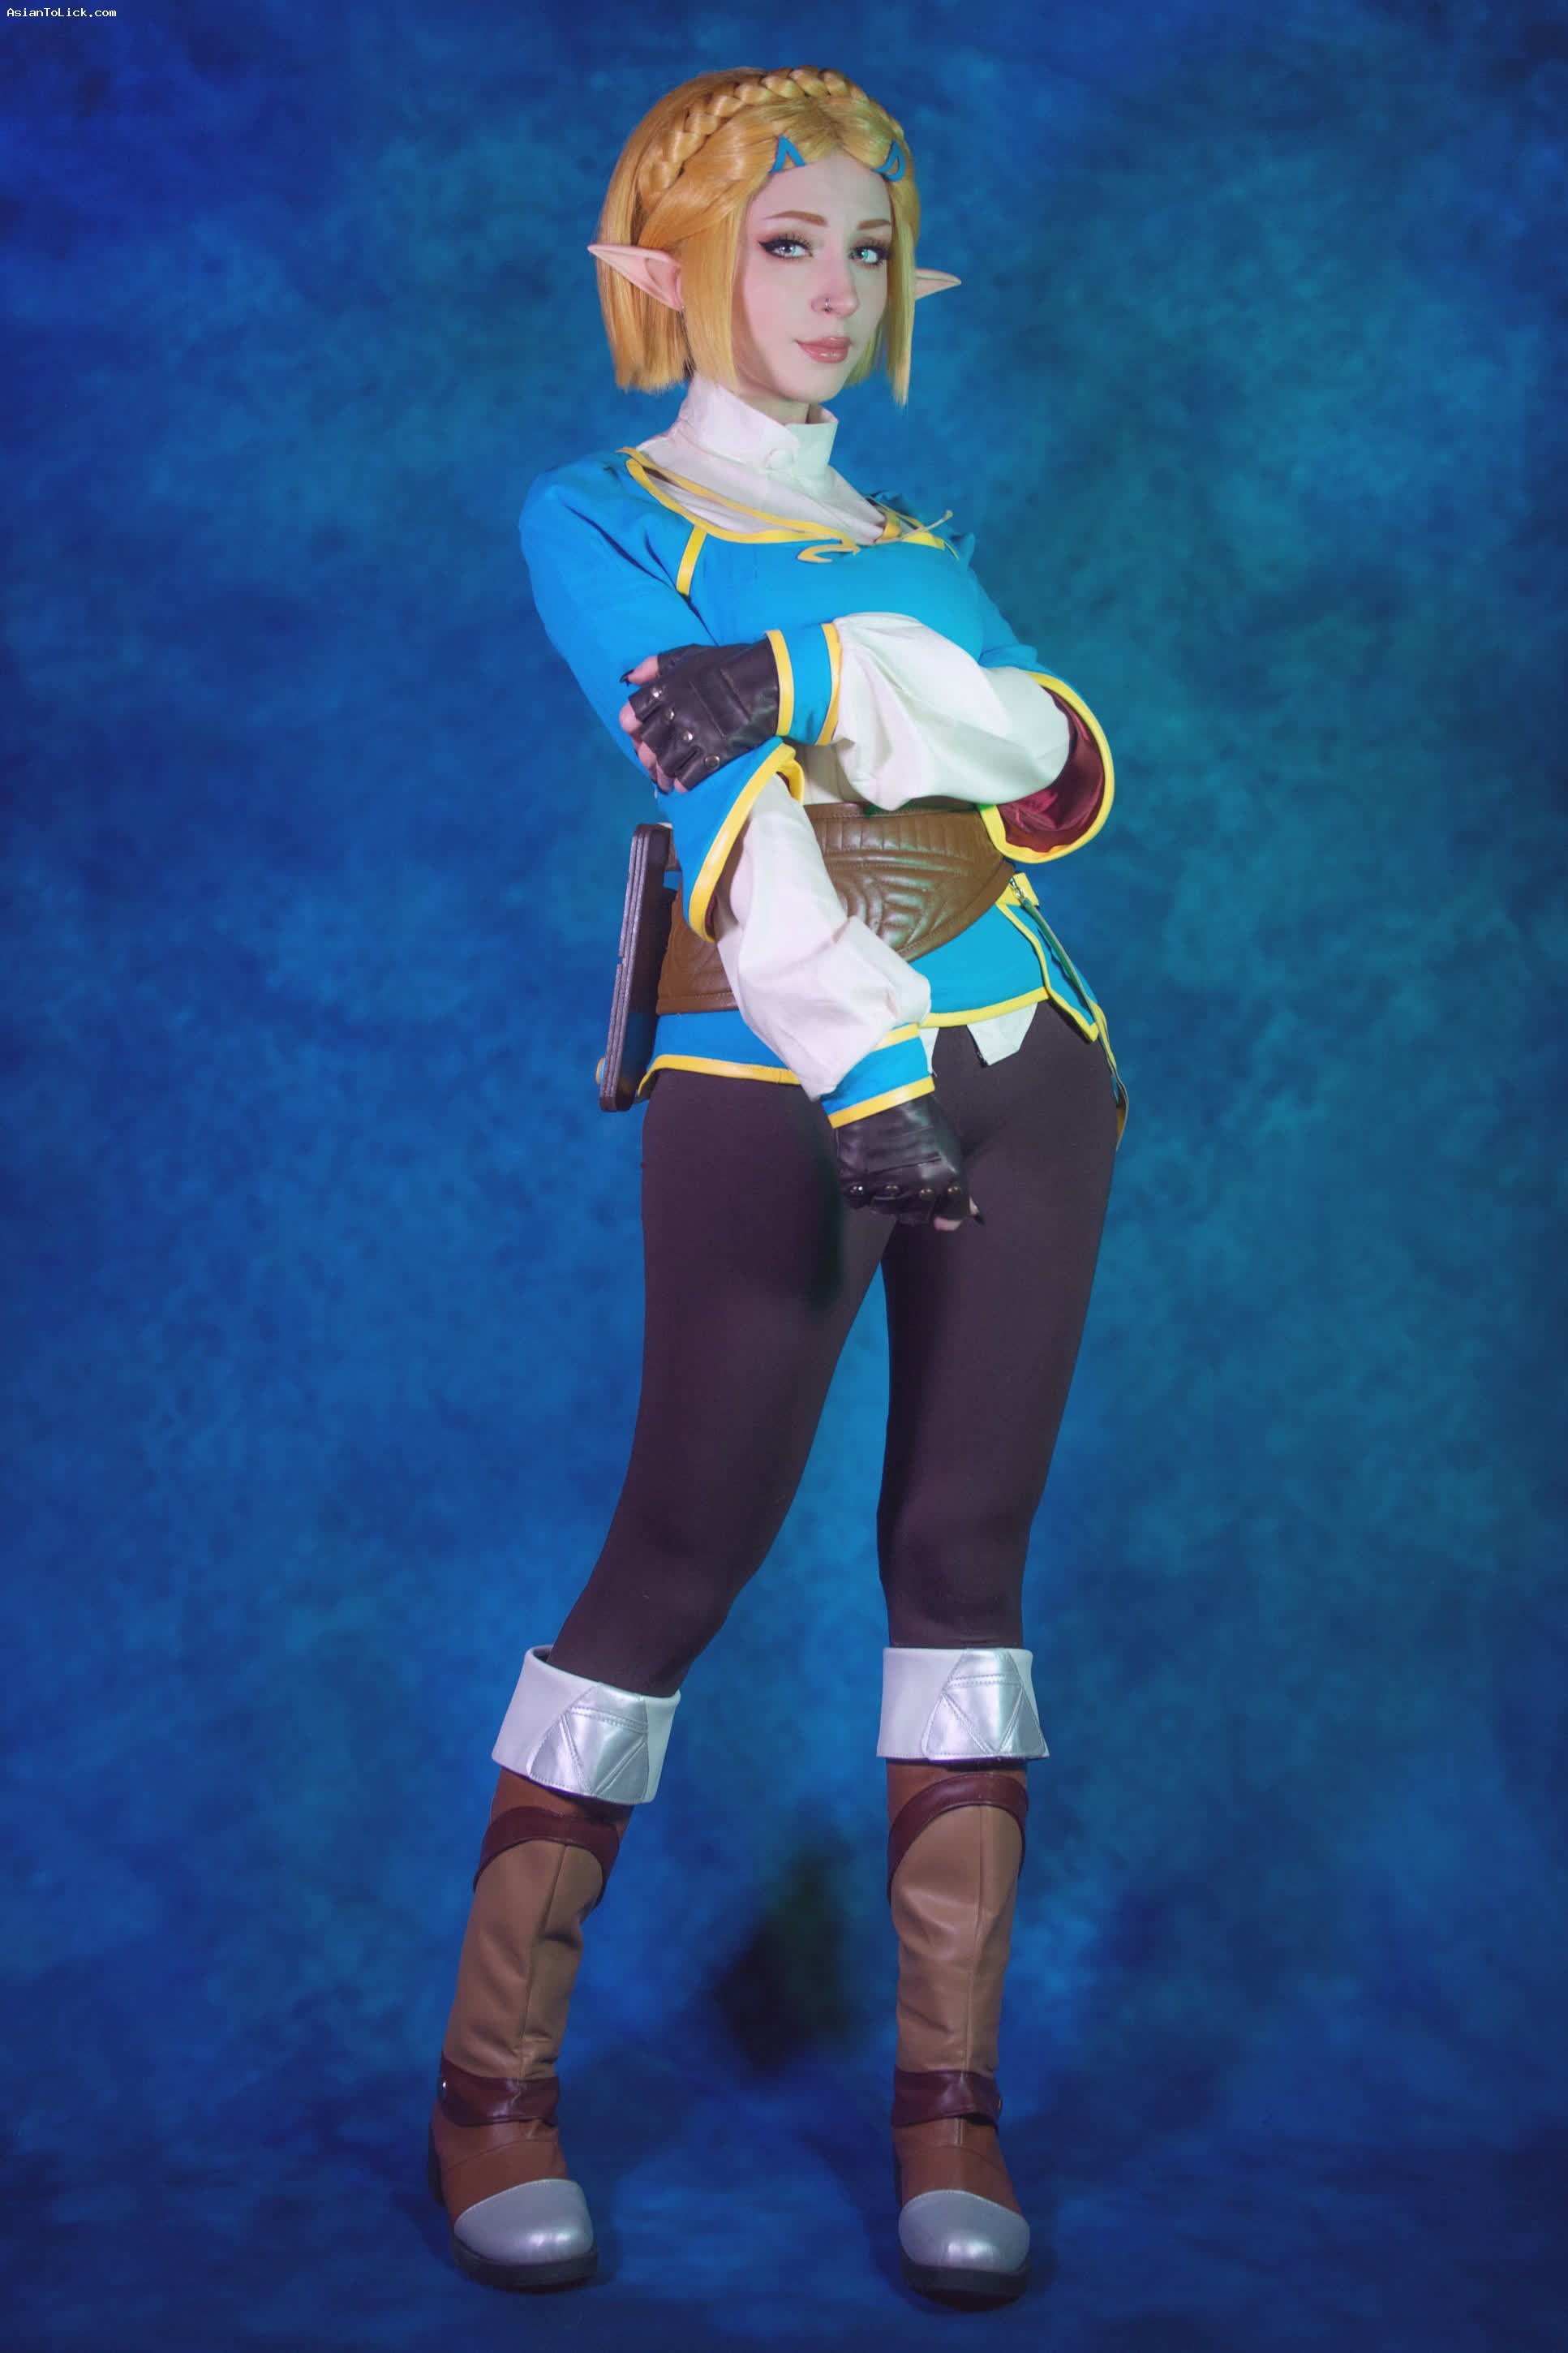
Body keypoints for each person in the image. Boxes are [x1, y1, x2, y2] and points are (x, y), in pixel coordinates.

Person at [427, 64, 1125, 2306]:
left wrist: (817, 667)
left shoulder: (908, 537)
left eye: (867, 248)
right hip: (780, 1080)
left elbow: (1041, 750)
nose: (835, 287)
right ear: (674, 262)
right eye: (786, 239)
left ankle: (951, 2106)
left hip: (1035, 1064)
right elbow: (733, 824)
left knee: (966, 1562)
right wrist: (865, 1072)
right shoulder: (598, 516)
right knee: (679, 1553)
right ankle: (490, 2087)